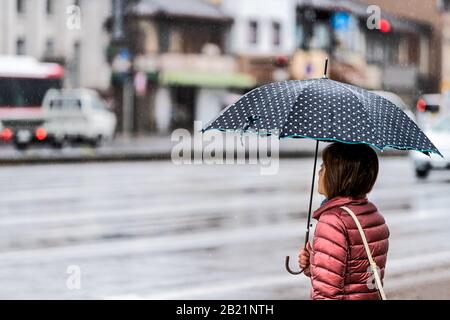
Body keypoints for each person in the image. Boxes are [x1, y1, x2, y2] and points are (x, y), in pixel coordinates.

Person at [298, 142, 390, 300]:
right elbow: (356, 274)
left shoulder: (333, 221)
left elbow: (327, 293)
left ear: (337, 174)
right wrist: (313, 264)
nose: (319, 173)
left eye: (323, 167)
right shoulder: (373, 215)